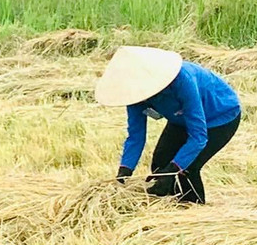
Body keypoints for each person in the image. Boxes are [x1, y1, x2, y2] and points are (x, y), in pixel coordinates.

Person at [96, 45, 241, 205]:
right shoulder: (134, 94)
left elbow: (198, 137)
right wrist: (124, 172)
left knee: (186, 169)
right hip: (180, 119)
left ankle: (192, 212)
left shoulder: (183, 81)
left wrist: (173, 170)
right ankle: (168, 206)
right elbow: (136, 137)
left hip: (219, 117)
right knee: (160, 164)